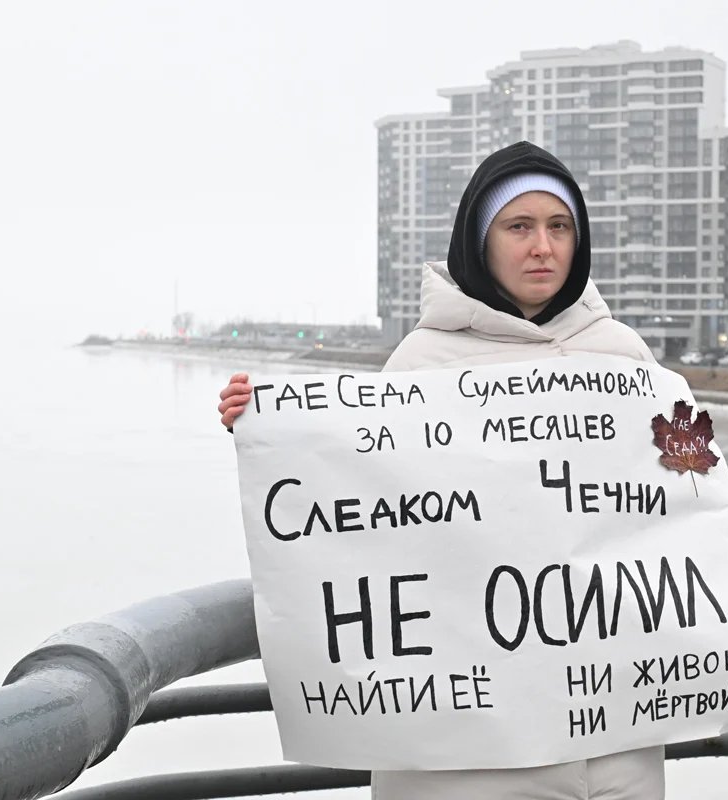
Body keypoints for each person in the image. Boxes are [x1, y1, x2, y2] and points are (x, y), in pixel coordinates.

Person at [217, 141, 664, 799]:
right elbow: (361, 507)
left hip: (609, 741)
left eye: (559, 226)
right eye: (519, 227)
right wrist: (267, 427)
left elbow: (668, 510)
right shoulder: (421, 364)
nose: (543, 247)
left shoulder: (623, 357)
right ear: (480, 241)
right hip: (463, 743)